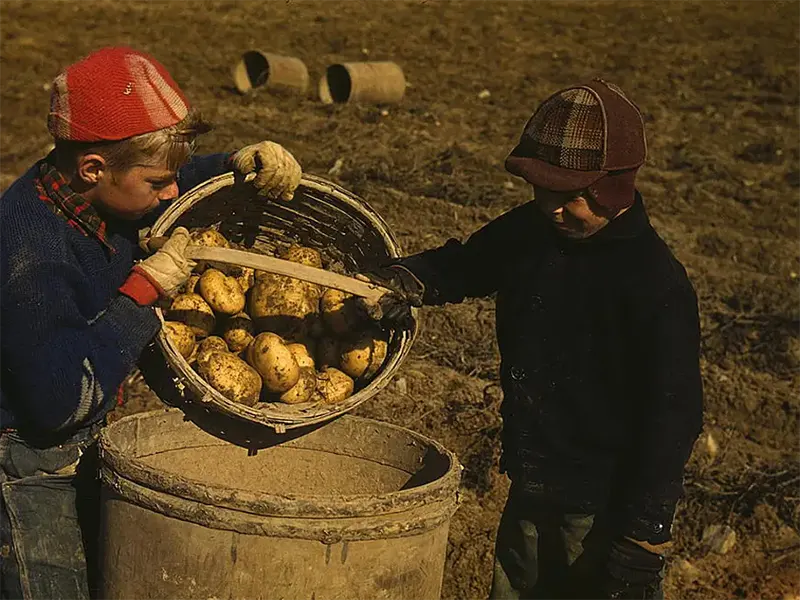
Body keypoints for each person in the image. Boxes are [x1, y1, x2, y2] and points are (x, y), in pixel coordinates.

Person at [369, 79, 704, 599]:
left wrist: (644, 540)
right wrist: (416, 276)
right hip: (533, 484)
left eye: (568, 198)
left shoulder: (653, 283)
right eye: (540, 192)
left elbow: (673, 417)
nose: (551, 208)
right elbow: (471, 263)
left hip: (602, 510)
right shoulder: (534, 232)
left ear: (611, 190)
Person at [0, 46, 303, 599]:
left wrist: (236, 165)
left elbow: (148, 181)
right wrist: (141, 295)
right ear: (93, 167)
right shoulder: (32, 255)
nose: (173, 193)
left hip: (85, 433)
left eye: (179, 177)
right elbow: (55, 404)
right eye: (163, 182)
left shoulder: (98, 190)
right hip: (26, 458)